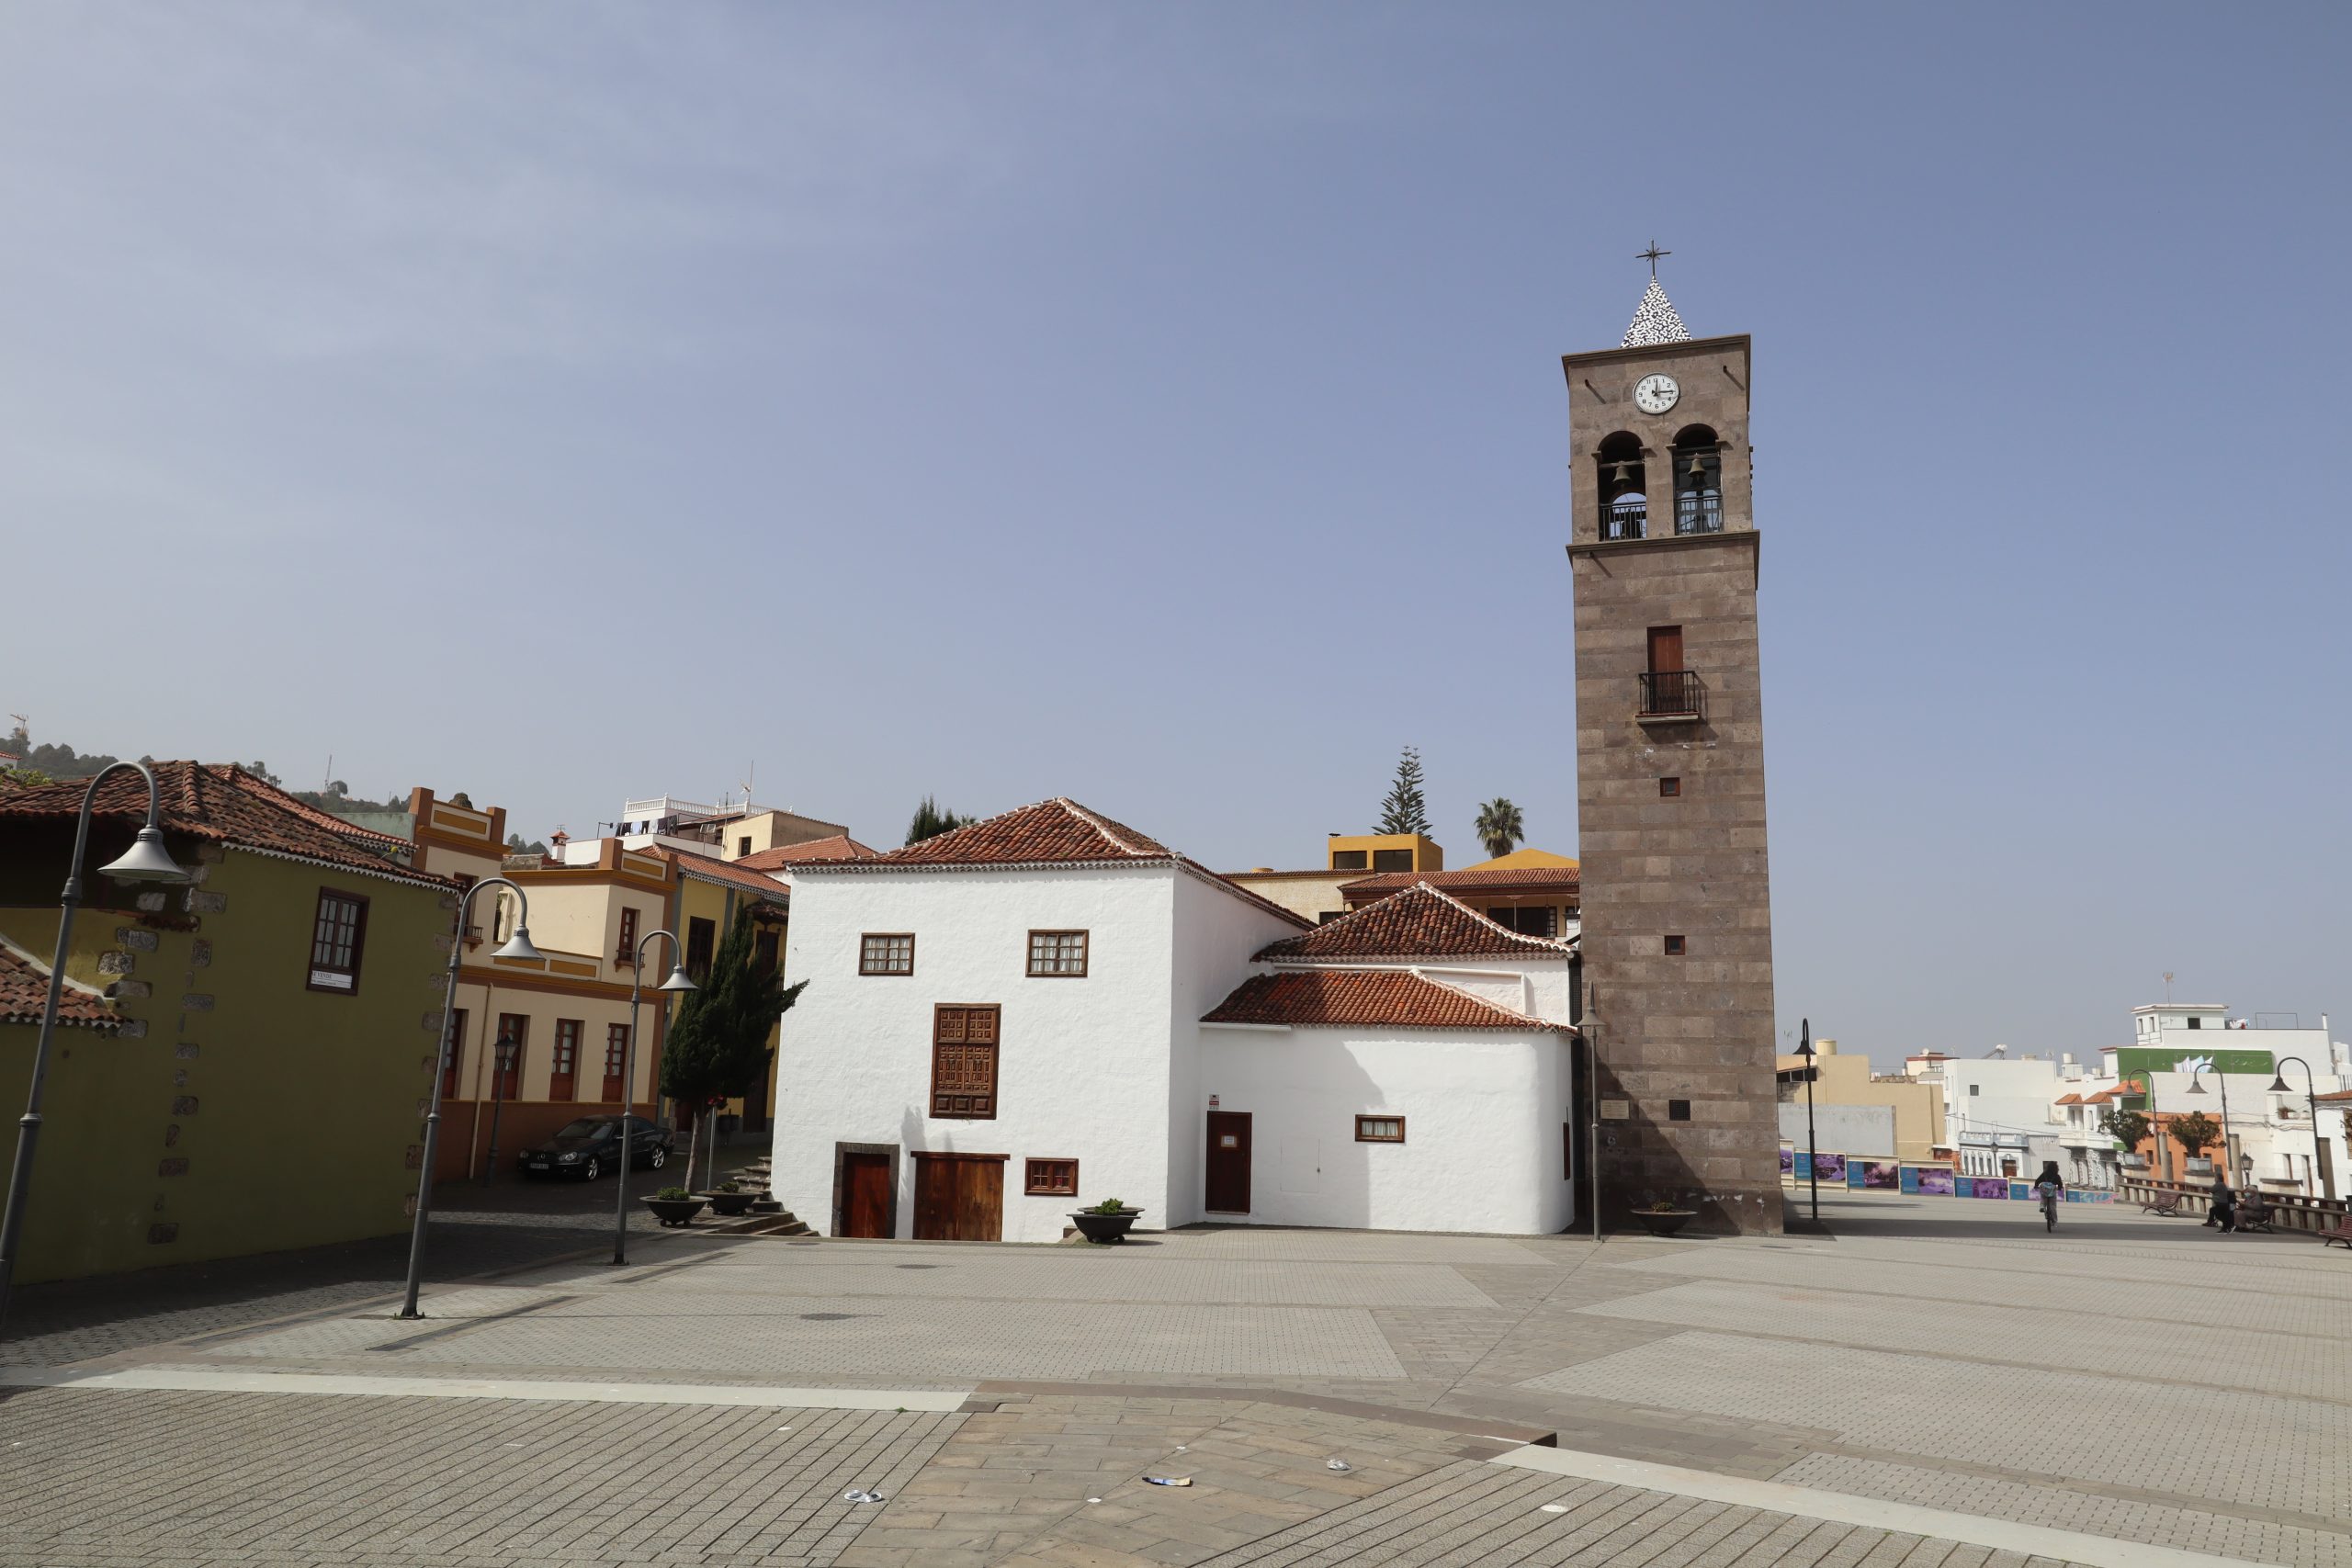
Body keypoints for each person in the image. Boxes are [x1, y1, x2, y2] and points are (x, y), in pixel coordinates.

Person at [2031, 1161, 2064, 1233]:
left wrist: (2036, 1186)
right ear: (2056, 1168)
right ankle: (2055, 1222)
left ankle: (2042, 1206)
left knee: (2043, 1197)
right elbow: (2060, 1184)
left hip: (2044, 1190)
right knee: (2053, 1206)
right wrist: (2060, 1188)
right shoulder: (2057, 1175)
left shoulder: (2044, 1174)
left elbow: (2038, 1180)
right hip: (2052, 1191)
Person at [2209, 1170, 2237, 1234]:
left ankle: (2229, 1225)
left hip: (2220, 1202)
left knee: (2219, 1215)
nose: (2214, 1179)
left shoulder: (2219, 1184)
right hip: (2224, 1202)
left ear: (2218, 1178)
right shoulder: (2223, 1184)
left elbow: (2211, 1189)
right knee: (2222, 1215)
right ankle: (2225, 1228)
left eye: (2215, 1178)